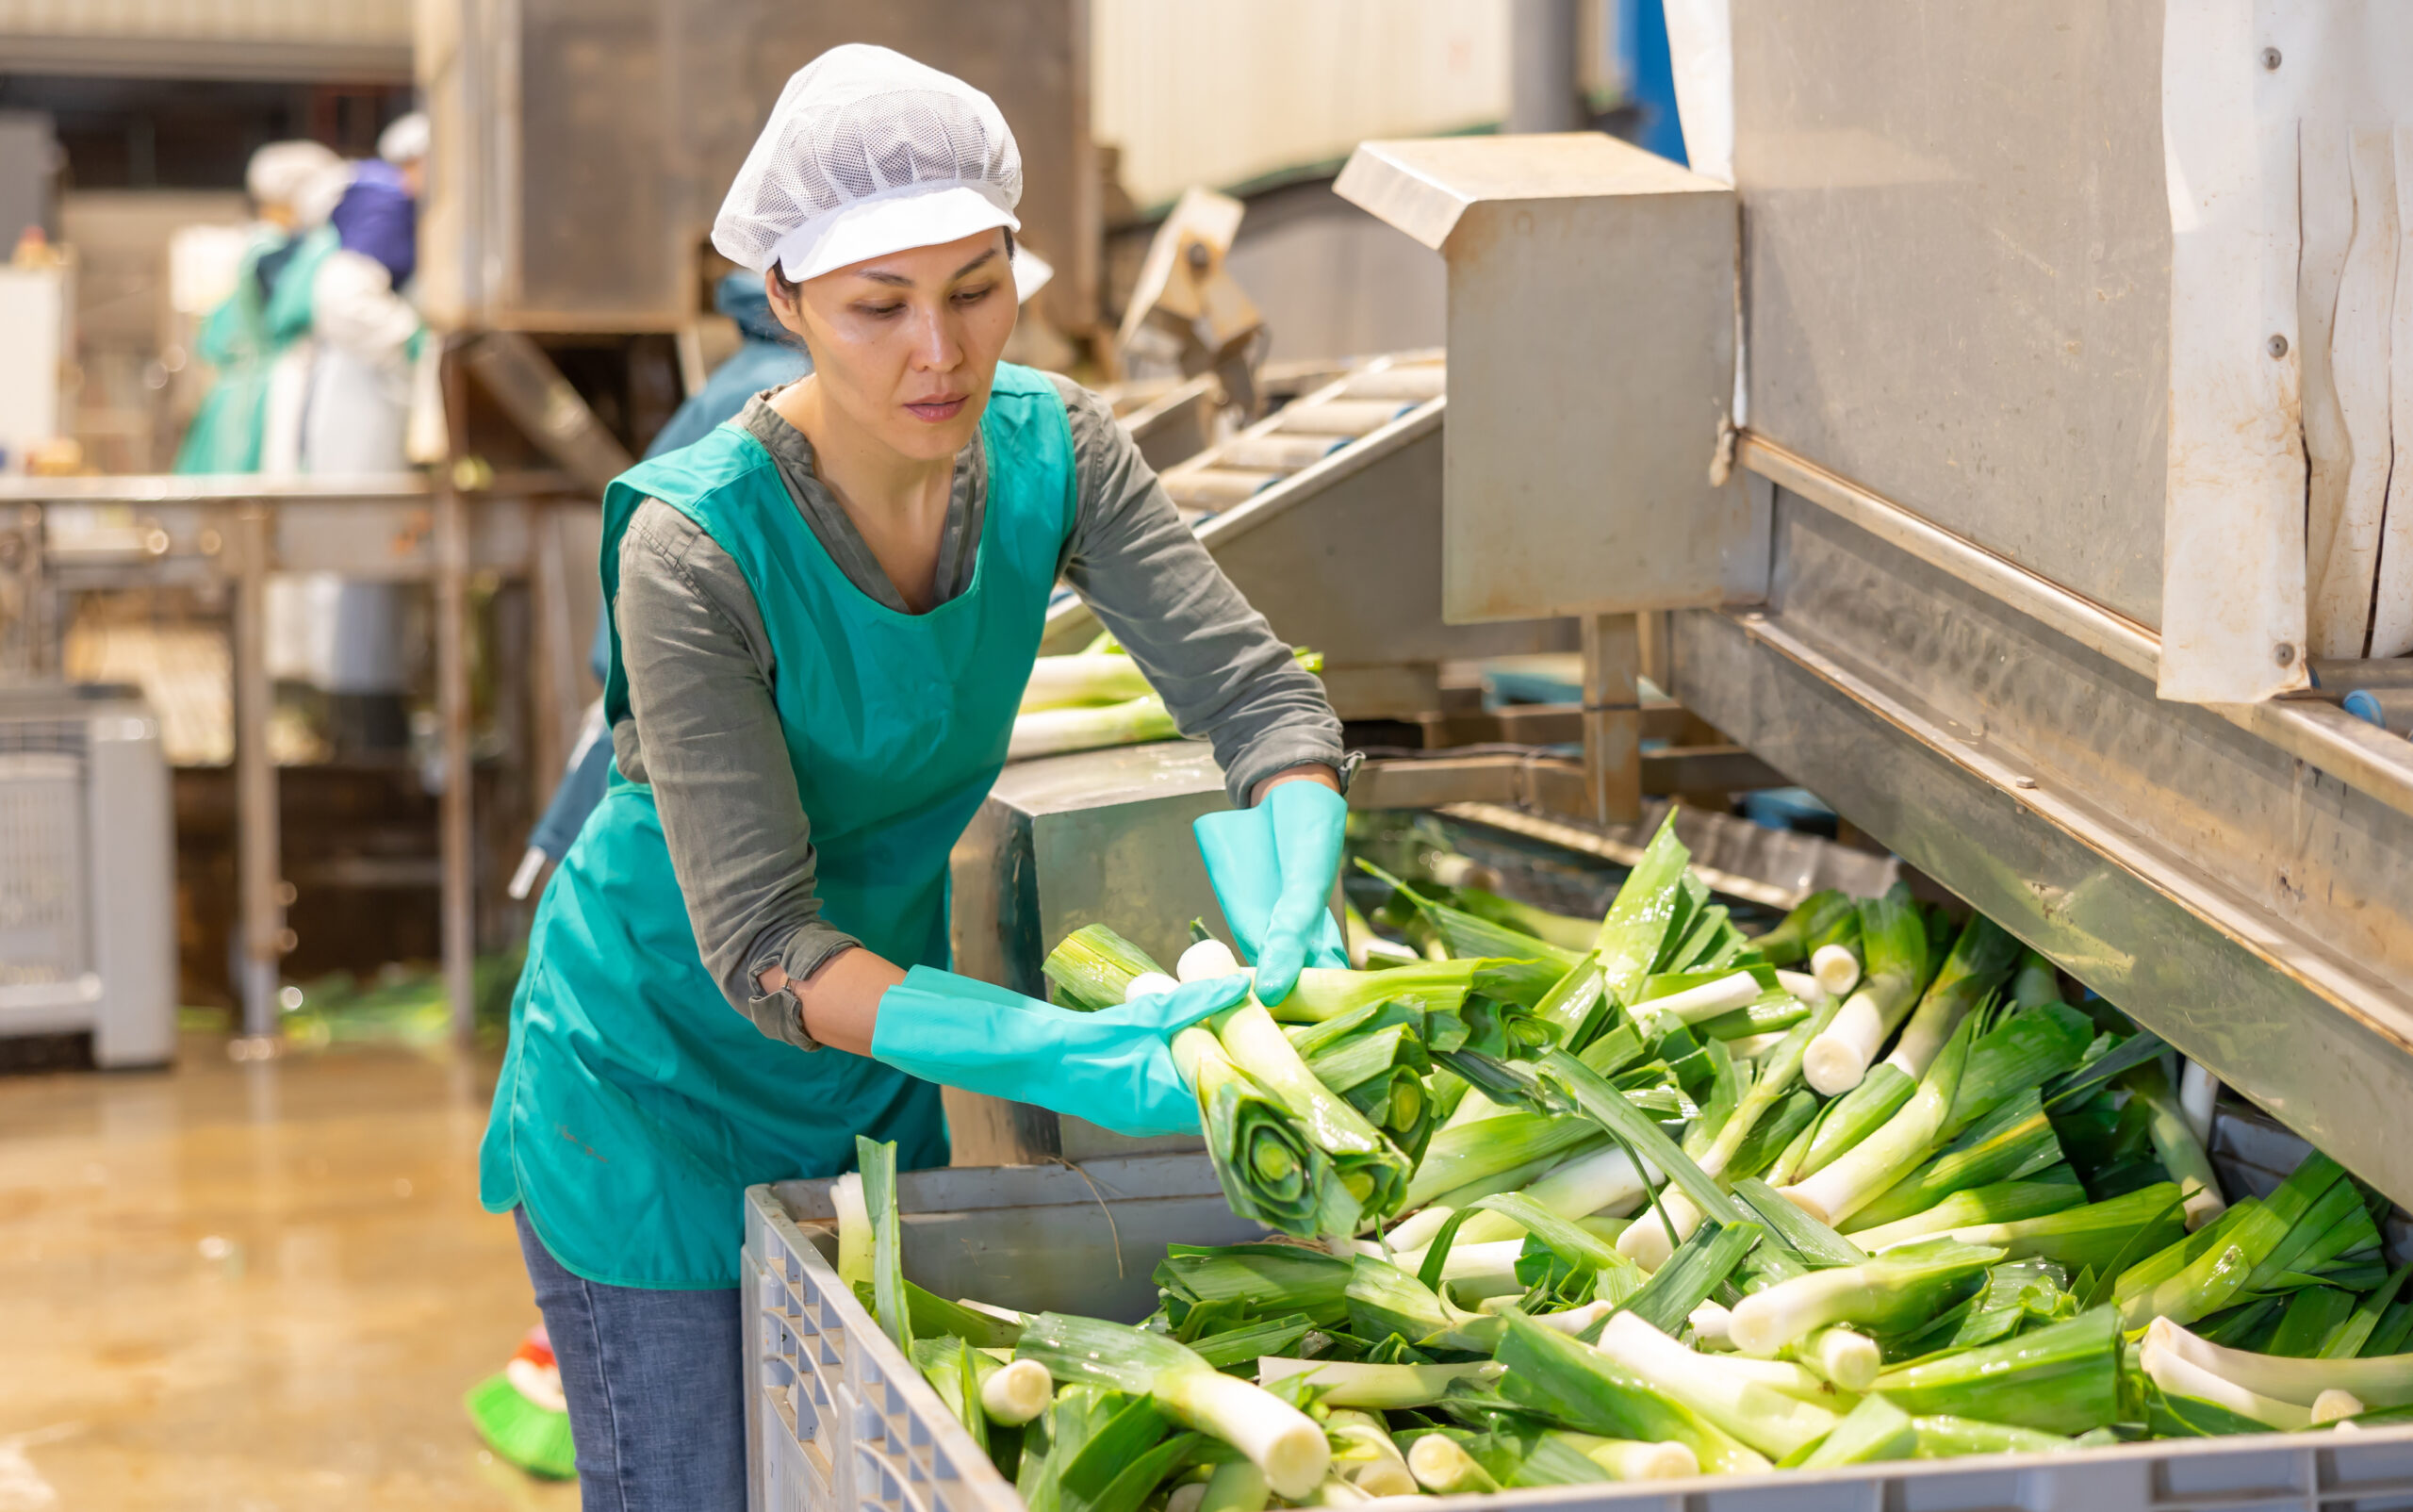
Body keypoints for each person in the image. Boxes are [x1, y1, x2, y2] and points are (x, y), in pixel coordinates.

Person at [480, 45, 1351, 1508]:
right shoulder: (692, 545)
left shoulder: (1058, 451)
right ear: (787, 305)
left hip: (882, 1060)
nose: (938, 354)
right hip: (657, 1080)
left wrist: (1298, 897)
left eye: (976, 289)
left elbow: (1258, 696)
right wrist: (1054, 1050)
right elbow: (761, 943)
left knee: (862, 1477)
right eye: (878, 309)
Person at [172, 140, 340, 473]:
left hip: (241, 395)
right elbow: (293, 313)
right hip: (256, 404)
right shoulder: (274, 250)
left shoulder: (263, 245)